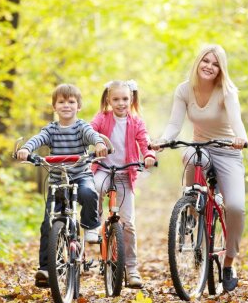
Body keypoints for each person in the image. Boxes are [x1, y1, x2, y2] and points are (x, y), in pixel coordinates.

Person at [153, 44, 248, 292]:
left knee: (236, 207)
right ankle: (190, 209)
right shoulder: (184, 90)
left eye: (215, 64)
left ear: (221, 69)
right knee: (191, 156)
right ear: (198, 62)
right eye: (206, 61)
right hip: (201, 147)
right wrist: (164, 140)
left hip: (228, 150)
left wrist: (241, 138)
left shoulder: (227, 91)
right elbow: (174, 124)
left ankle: (228, 262)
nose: (209, 66)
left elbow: (237, 121)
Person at [16, 84, 108, 288]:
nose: (66, 105)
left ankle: (91, 225)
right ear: (54, 107)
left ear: (79, 106)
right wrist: (26, 148)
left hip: (80, 175)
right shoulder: (51, 129)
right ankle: (46, 269)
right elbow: (37, 139)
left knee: (88, 192)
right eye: (62, 102)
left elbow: (93, 135)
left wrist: (99, 144)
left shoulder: (81, 127)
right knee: (48, 223)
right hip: (58, 180)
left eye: (71, 102)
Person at [91, 80, 156, 288]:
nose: (121, 103)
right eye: (116, 99)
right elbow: (90, 130)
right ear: (109, 100)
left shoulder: (136, 122)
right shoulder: (102, 118)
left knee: (128, 223)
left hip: (124, 174)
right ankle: (93, 224)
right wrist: (97, 141)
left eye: (125, 99)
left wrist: (148, 154)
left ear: (132, 99)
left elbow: (144, 140)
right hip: (103, 170)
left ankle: (132, 267)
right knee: (95, 189)